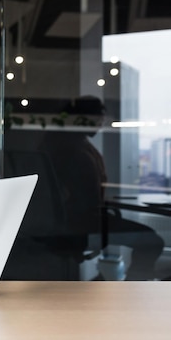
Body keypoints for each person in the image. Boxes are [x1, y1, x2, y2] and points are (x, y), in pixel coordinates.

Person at [38, 96, 164, 280]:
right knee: (152, 242)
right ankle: (133, 291)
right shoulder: (75, 151)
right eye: (99, 119)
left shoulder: (62, 143)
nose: (100, 124)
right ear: (83, 118)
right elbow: (85, 199)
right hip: (83, 223)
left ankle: (122, 287)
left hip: (76, 220)